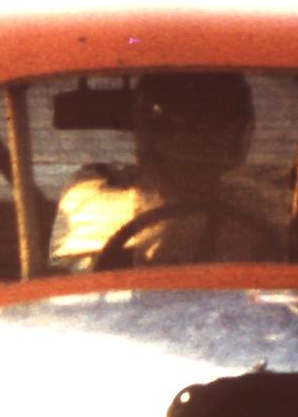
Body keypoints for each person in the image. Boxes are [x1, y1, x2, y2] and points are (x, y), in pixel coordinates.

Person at [51, 72, 278, 270]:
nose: (197, 147)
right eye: (182, 130)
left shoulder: (262, 208)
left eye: (215, 125)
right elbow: (67, 275)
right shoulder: (93, 197)